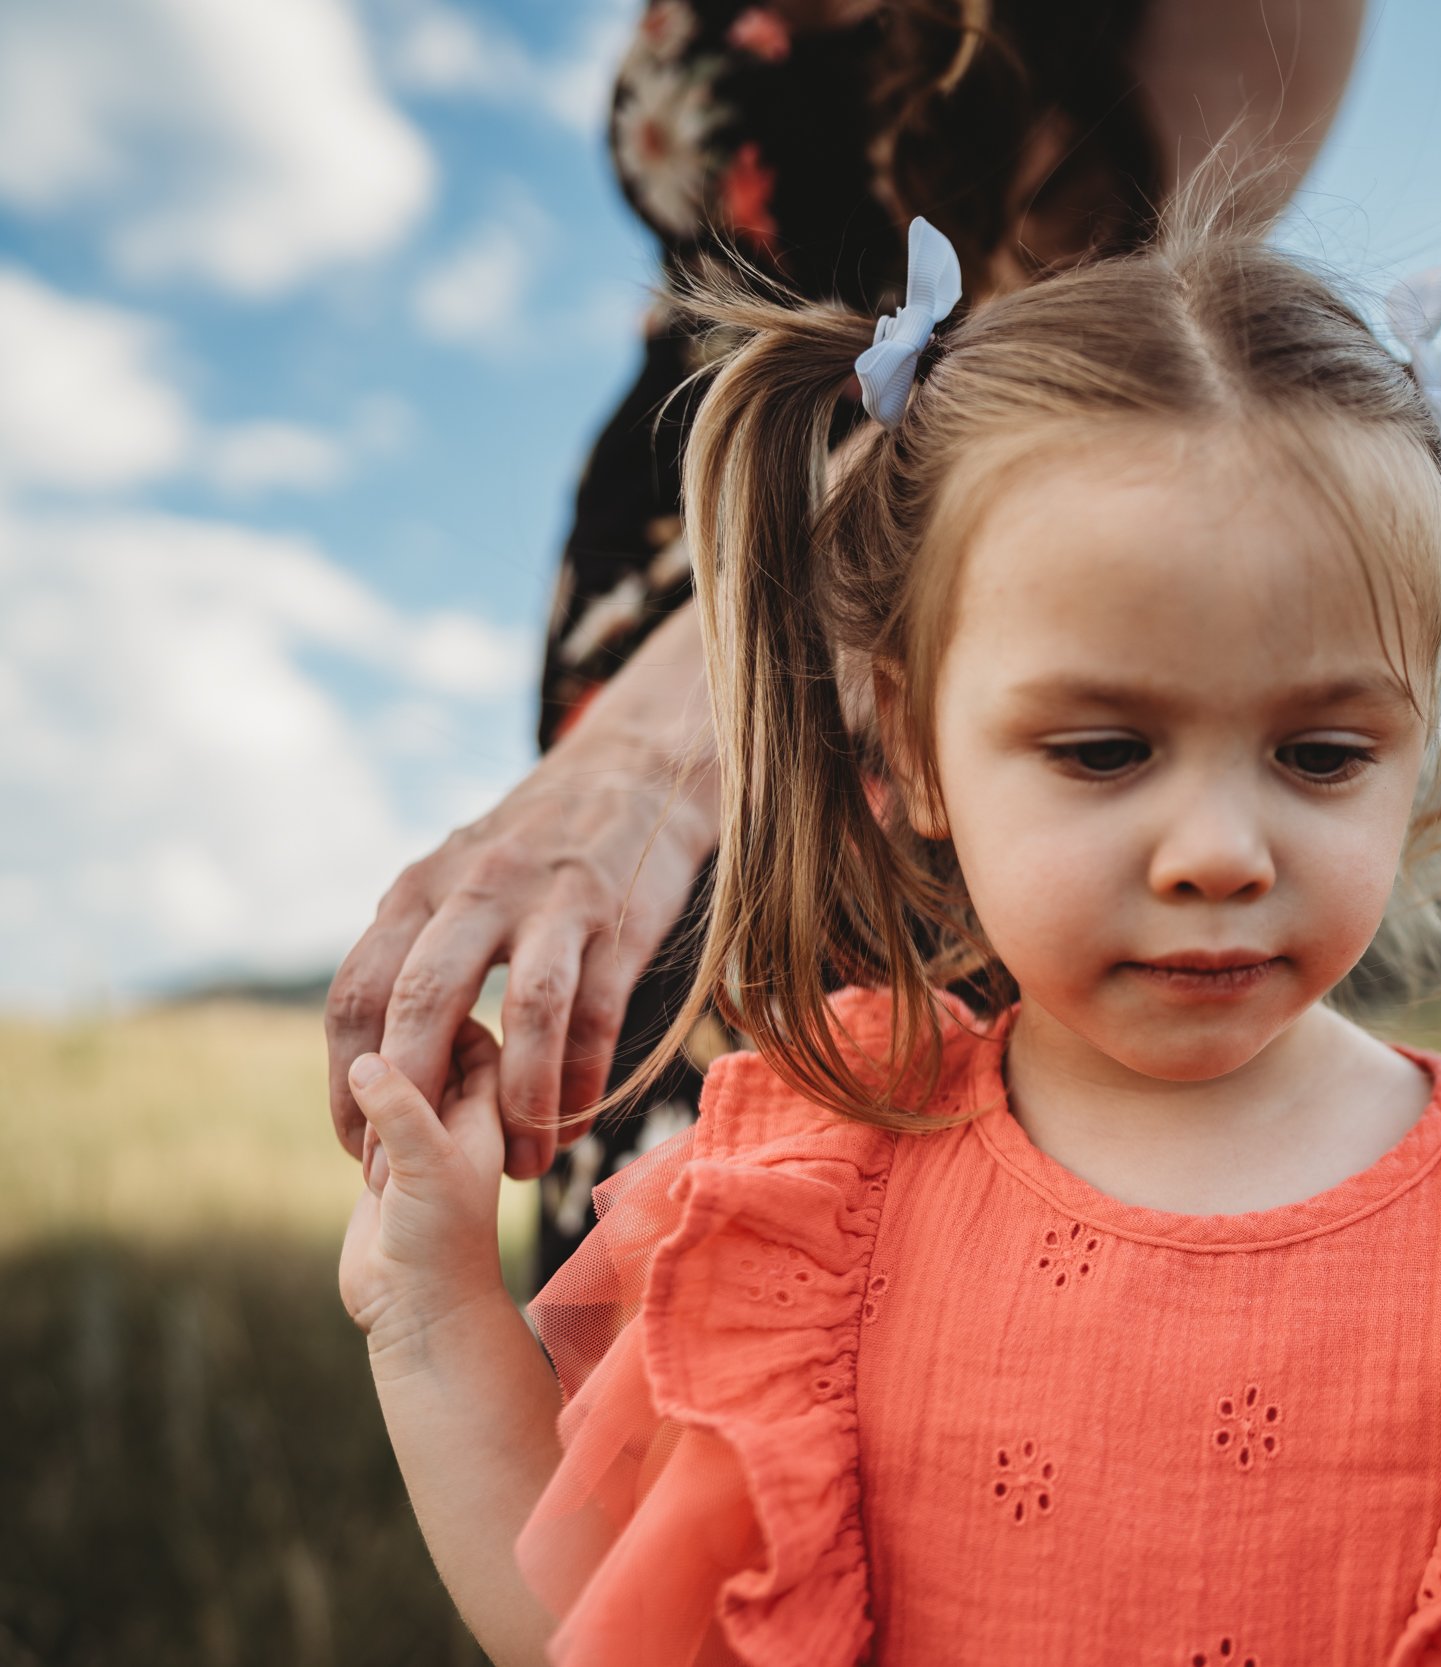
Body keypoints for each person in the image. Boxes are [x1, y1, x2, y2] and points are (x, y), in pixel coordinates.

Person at [336, 183, 1441, 1665]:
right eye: (1105, 751)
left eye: (1322, 754)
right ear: (908, 748)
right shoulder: (811, 1198)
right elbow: (602, 1626)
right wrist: (429, 1312)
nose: (1220, 851)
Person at [319, 0, 1368, 1288]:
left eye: (1325, 753)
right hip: (664, 550)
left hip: (919, 602)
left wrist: (670, 742)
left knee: (891, 1258)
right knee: (648, 1314)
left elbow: (1077, 345)